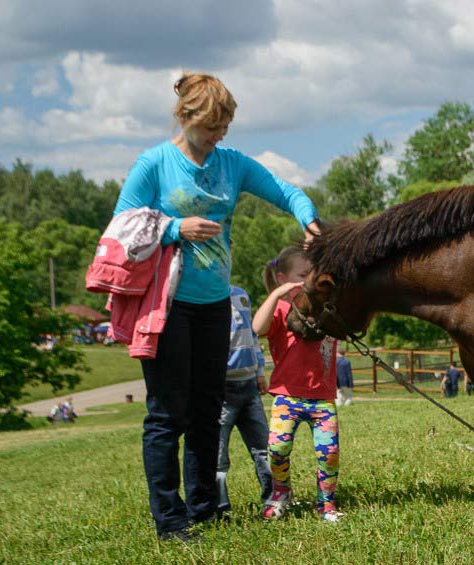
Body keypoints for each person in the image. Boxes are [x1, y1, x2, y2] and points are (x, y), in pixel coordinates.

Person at [111, 72, 320, 542]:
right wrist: (173, 229)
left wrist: (309, 221)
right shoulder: (154, 164)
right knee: (167, 415)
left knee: (207, 410)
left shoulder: (232, 164)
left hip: (213, 306)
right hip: (168, 307)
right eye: (210, 128)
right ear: (184, 117)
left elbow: (288, 192)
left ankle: (205, 509)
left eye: (224, 127)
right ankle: (170, 521)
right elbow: (121, 227)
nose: (218, 136)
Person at [253, 246, 343, 523]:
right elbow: (256, 328)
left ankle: (326, 503)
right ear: (283, 278)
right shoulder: (281, 308)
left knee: (328, 454)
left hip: (322, 398)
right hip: (286, 397)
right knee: (278, 450)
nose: (309, 280)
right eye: (302, 275)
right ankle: (281, 493)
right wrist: (276, 295)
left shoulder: (327, 308)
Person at [215, 285, 273, 520]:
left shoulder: (241, 294)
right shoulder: (204, 296)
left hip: (249, 386)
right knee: (218, 456)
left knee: (264, 448)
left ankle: (273, 500)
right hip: (222, 390)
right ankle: (220, 507)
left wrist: (259, 371)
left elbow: (252, 335)